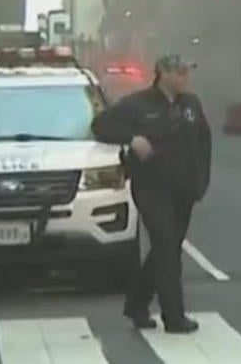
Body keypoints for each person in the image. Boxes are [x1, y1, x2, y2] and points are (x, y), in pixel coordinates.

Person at [90, 54, 212, 333]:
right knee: (167, 245)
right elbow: (101, 125)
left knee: (164, 250)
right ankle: (174, 317)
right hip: (151, 187)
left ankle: (136, 303)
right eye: (179, 72)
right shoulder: (138, 104)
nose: (184, 78)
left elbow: (204, 141)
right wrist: (132, 139)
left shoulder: (191, 105)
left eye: (186, 72)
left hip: (184, 189)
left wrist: (201, 181)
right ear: (163, 73)